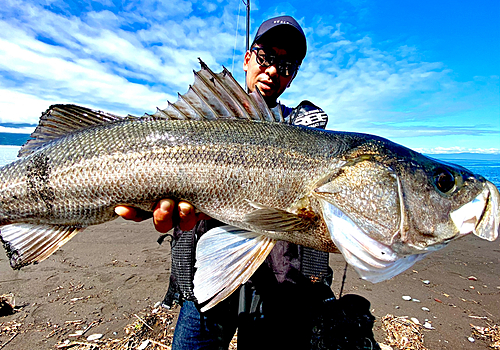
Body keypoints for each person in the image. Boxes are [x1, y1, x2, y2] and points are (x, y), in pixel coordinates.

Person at [116, 16, 379, 350]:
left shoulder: (305, 131)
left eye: (285, 65)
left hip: (279, 292)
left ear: (293, 76)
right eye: (265, 57)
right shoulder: (205, 119)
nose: (272, 70)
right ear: (246, 58)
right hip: (207, 285)